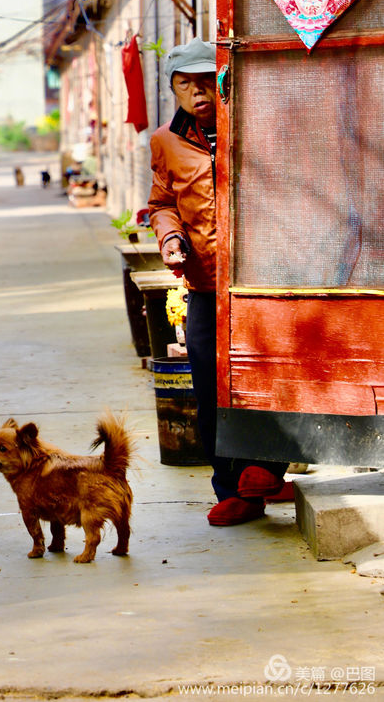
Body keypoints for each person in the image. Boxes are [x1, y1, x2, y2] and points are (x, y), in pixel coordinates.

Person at [148, 37, 290, 526]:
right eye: (185, 84)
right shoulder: (166, 140)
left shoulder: (254, 125)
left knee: (267, 375)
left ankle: (266, 471)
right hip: (205, 283)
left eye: (207, 81)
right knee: (210, 385)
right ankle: (231, 487)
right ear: (174, 91)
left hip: (263, 280)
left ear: (224, 80)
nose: (198, 93)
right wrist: (170, 238)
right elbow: (162, 201)